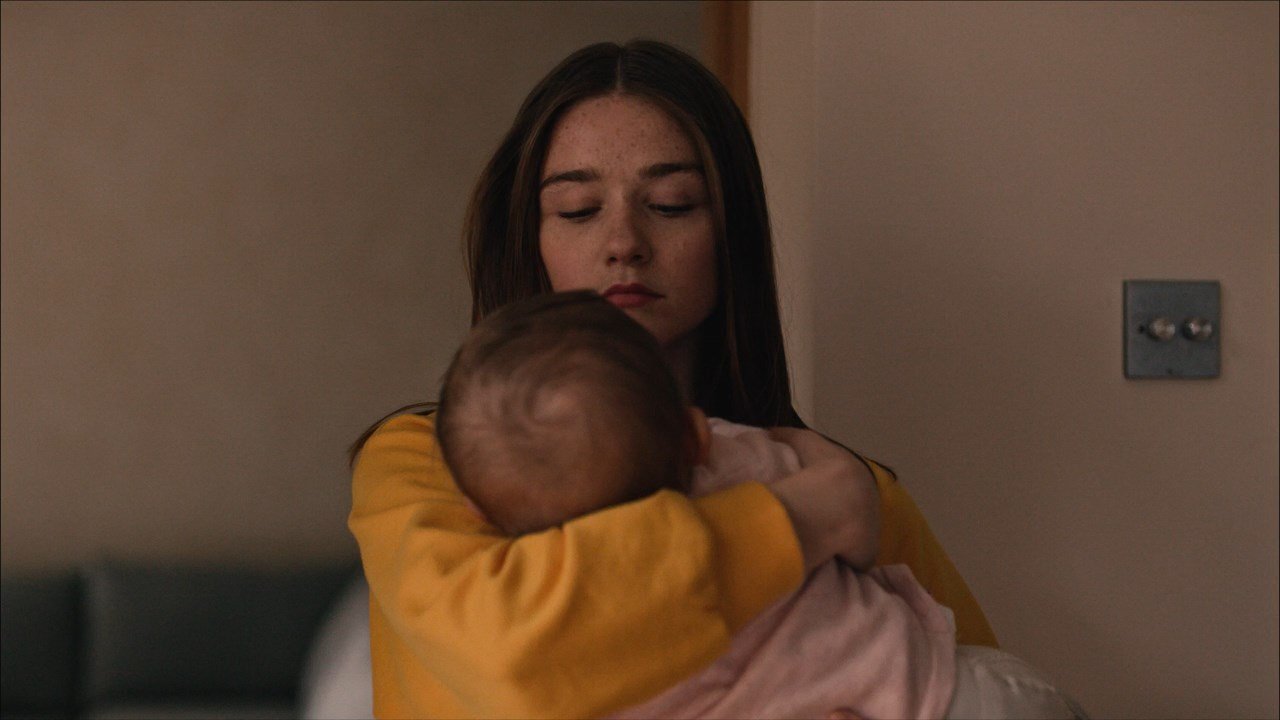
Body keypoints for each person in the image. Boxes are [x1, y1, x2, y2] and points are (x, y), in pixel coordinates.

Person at [348, 40, 999, 719]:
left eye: (671, 203)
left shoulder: (857, 488)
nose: (623, 242)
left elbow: (985, 691)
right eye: (578, 210)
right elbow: (510, 651)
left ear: (729, 233)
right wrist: (800, 523)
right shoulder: (429, 461)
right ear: (529, 240)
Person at [432, 289, 1084, 720]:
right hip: (953, 694)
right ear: (693, 435)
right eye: (578, 210)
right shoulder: (734, 458)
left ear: (475, 509)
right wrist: (797, 448)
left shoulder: (563, 640)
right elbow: (853, 520)